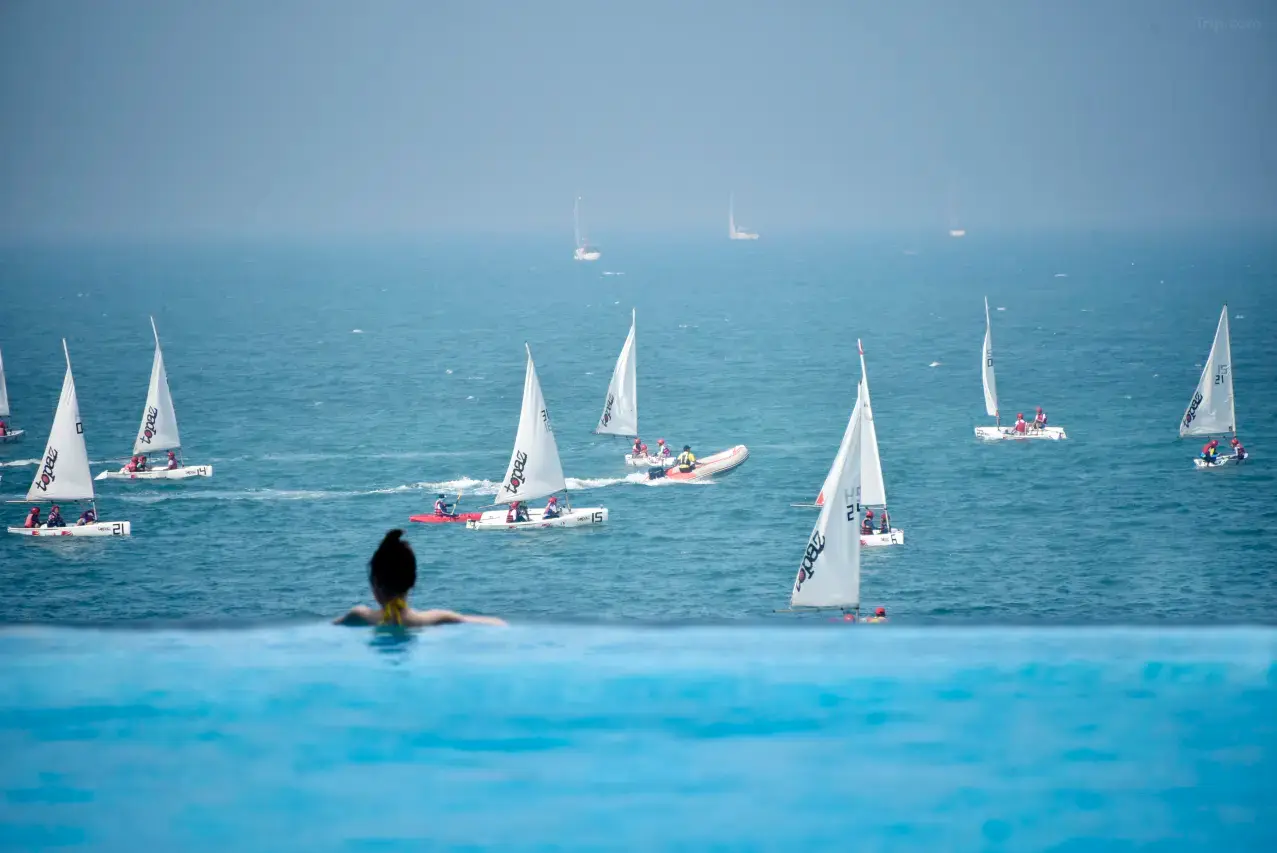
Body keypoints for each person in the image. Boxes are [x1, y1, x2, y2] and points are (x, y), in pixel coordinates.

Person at [335, 529, 507, 627]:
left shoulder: (359, 616)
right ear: (412, 582)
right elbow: (498, 624)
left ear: (375, 584)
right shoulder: (438, 618)